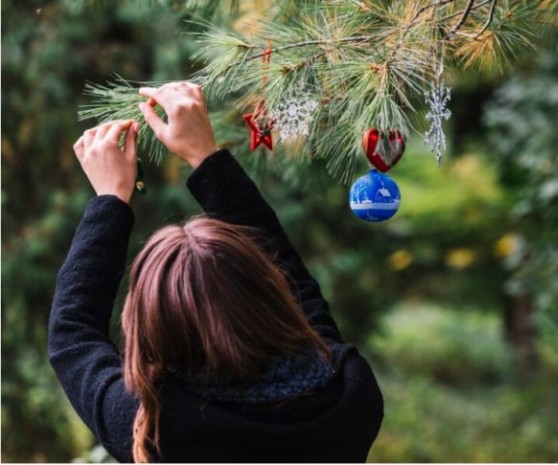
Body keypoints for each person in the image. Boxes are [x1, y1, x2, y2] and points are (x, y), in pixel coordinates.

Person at [49, 82, 384, 463]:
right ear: (268, 291)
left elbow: (72, 336)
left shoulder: (154, 425)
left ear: (152, 324)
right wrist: (207, 157)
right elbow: (302, 298)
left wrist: (110, 199)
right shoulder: (347, 392)